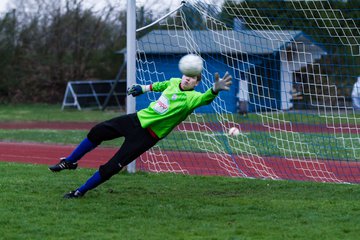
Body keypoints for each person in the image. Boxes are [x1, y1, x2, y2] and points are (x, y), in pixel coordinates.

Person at [49, 66, 232, 199]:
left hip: (147, 136)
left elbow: (205, 99)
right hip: (136, 119)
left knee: (112, 166)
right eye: (186, 75)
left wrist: (215, 89)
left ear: (196, 82)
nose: (187, 79)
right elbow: (161, 85)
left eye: (192, 78)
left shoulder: (192, 98)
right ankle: (69, 161)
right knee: (98, 131)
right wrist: (143, 88)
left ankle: (80, 191)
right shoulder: (174, 82)